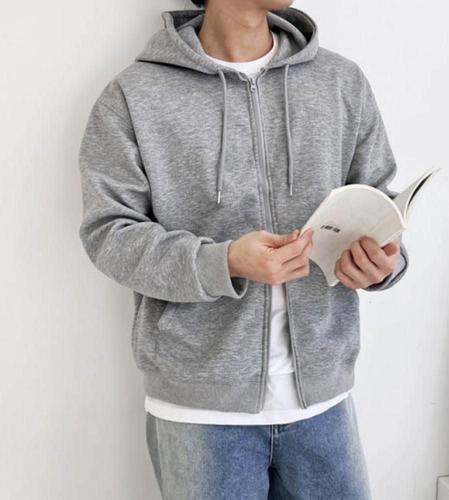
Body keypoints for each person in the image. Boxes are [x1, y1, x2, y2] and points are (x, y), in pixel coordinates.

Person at [77, 0, 409, 498]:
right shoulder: (134, 95)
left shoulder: (341, 82)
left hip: (324, 406)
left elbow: (381, 205)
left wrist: (383, 264)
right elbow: (109, 234)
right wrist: (224, 262)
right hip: (201, 415)